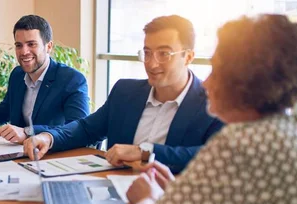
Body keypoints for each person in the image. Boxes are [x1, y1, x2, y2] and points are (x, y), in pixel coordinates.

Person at [126, 14, 297, 204]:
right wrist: (181, 191)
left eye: (215, 70)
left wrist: (145, 200)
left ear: (242, 81)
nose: (205, 83)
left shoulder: (238, 144)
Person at [23, 15, 223, 173]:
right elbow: (86, 128)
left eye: (164, 54)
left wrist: (145, 152)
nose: (152, 64)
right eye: (147, 53)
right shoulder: (125, 92)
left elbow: (214, 156)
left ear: (188, 56)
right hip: (111, 189)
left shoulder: (214, 103)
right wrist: (49, 138)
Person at [0, 15, 90, 143]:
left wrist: (27, 132)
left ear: (49, 47)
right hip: (19, 153)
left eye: (31, 44)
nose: (24, 52)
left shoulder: (72, 80)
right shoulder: (17, 74)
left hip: (55, 155)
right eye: (19, 45)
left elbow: (76, 127)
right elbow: (3, 112)